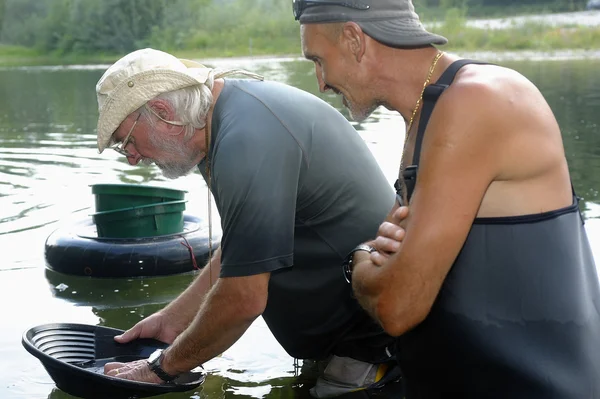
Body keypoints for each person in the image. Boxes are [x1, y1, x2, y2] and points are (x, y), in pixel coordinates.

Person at [295, 0, 600, 398]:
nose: (321, 81)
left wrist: (356, 264)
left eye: (318, 60)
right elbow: (389, 255)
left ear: (354, 40)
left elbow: (397, 306)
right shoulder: (429, 109)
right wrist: (376, 263)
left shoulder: (475, 101)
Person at [93, 47, 403, 397]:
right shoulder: (215, 122)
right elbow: (243, 247)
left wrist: (160, 369)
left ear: (162, 113)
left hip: (372, 334)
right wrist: (174, 318)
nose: (131, 158)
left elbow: (243, 299)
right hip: (346, 328)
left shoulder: (245, 142)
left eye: (127, 141)